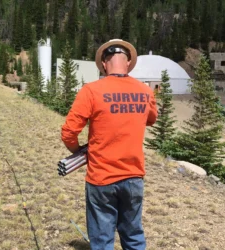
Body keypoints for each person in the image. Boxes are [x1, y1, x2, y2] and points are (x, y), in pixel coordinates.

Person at [61, 39, 158, 250]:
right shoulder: (145, 91)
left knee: (102, 241)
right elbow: (151, 119)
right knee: (133, 236)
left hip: (101, 177)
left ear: (104, 64)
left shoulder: (91, 91)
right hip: (133, 176)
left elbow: (69, 132)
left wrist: (78, 152)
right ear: (128, 61)